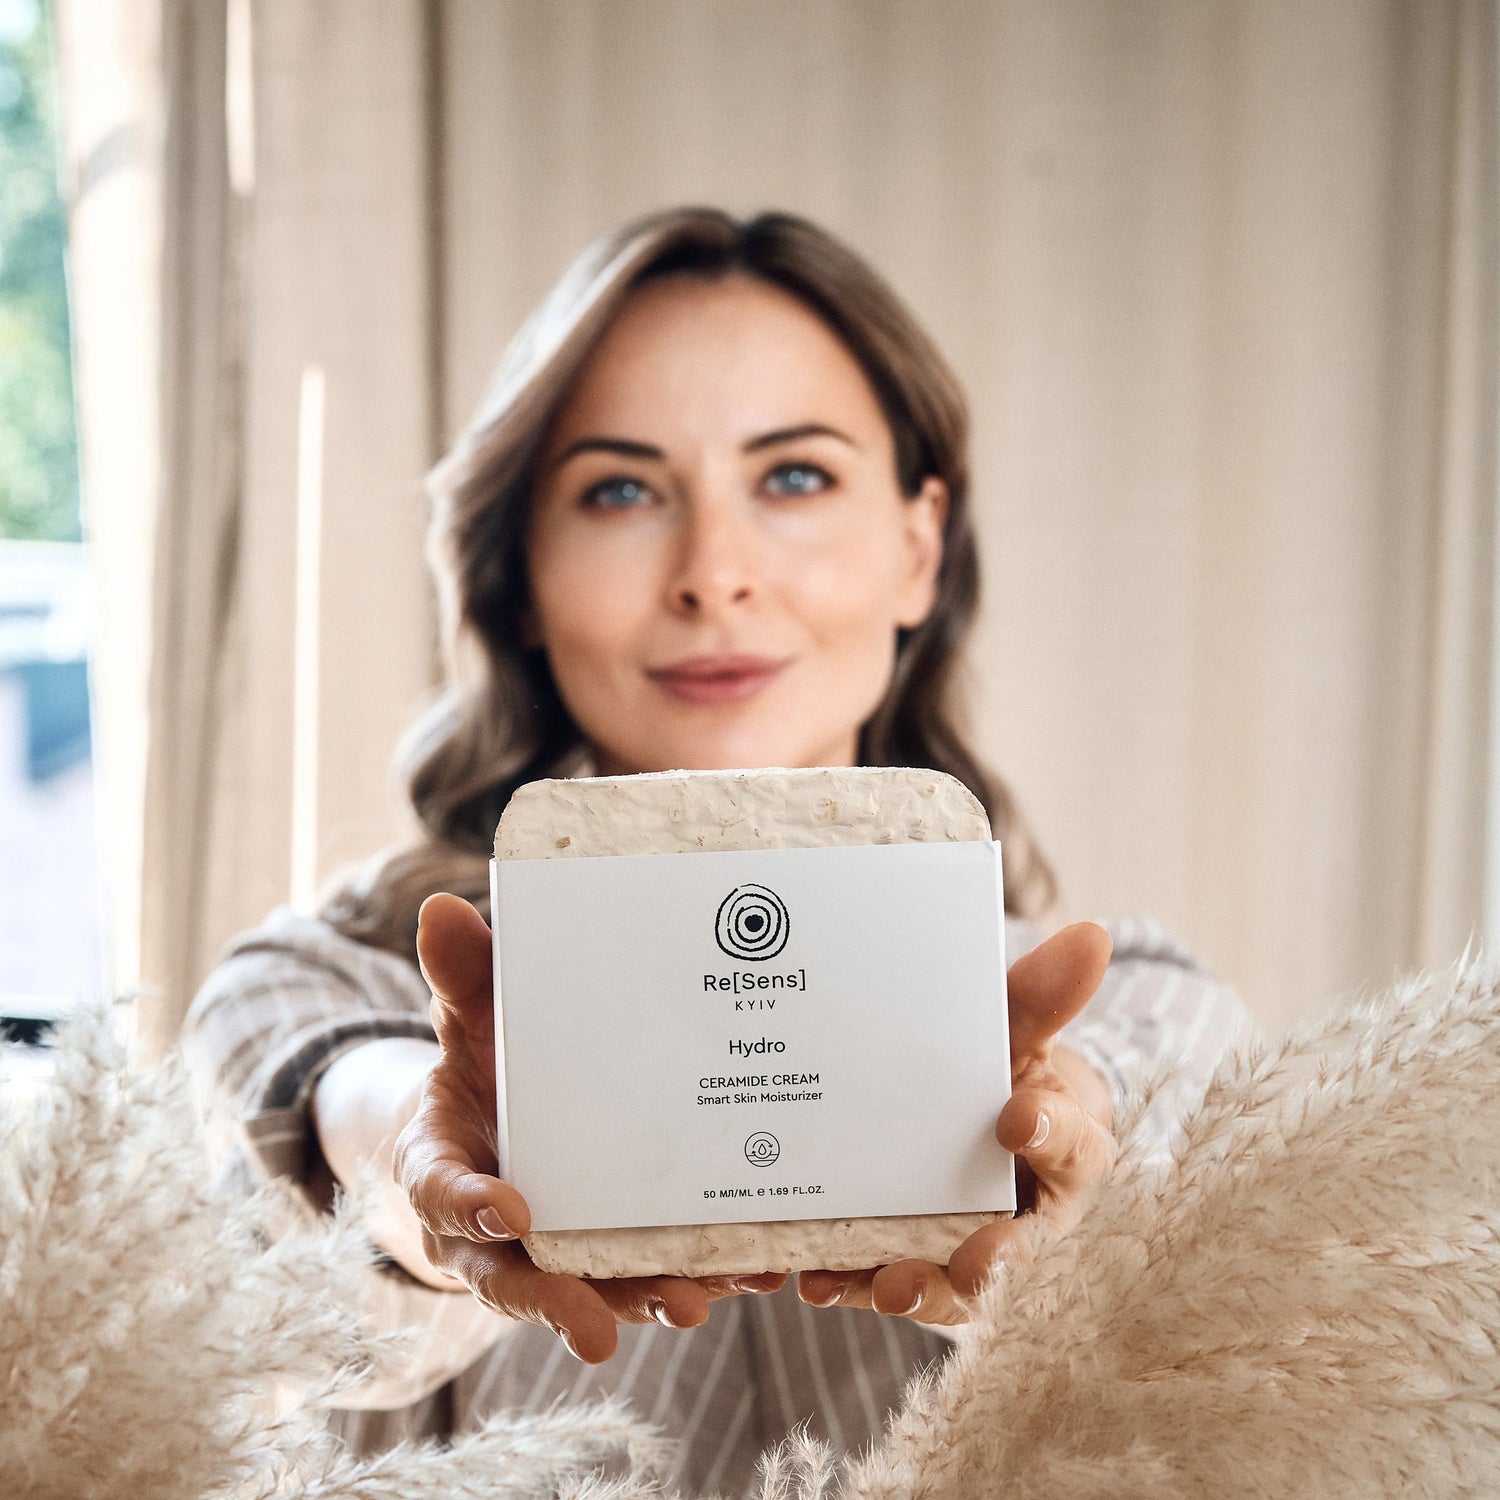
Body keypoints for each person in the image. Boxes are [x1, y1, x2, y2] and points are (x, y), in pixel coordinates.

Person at [182, 207, 1245, 1496]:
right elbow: (342, 1180)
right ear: (522, 575)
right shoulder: (314, 978)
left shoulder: (1145, 999)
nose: (713, 573)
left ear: (917, 548)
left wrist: (1062, 1166)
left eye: (794, 478)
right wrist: (432, 1159)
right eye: (620, 490)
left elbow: (1136, 1123)